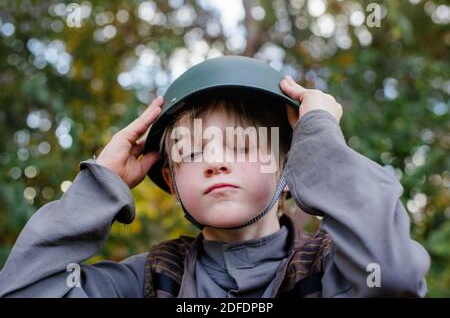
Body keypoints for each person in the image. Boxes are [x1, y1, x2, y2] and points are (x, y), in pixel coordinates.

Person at [0, 56, 430, 298]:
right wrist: (102, 183)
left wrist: (319, 142)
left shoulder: (333, 272)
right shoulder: (147, 282)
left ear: (288, 167)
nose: (214, 163)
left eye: (243, 146)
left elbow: (393, 276)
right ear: (170, 180)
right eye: (191, 152)